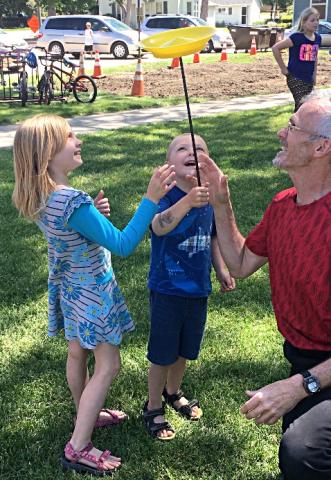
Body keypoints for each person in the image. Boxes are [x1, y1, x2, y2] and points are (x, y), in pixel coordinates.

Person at [12, 114, 176, 476]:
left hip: (70, 291)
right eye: (70, 137)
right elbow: (122, 243)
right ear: (48, 152)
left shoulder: (43, 196)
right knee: (108, 365)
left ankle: (88, 412)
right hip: (92, 294)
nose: (78, 141)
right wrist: (150, 199)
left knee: (77, 354)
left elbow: (77, 231)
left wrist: (94, 217)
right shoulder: (71, 200)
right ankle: (79, 446)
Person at [201, 92, 331, 479]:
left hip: (319, 368)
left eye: (292, 127)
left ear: (321, 147)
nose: (280, 132)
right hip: (305, 358)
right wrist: (222, 205)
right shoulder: (282, 206)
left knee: (302, 452)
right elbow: (239, 264)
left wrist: (299, 386)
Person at [143, 133, 235, 440]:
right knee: (162, 353)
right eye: (182, 148)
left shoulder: (208, 197)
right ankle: (153, 406)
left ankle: (173, 391)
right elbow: (158, 226)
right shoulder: (167, 196)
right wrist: (186, 201)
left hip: (197, 289)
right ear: (169, 162)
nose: (192, 151)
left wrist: (220, 268)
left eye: (200, 149)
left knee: (184, 350)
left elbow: (212, 237)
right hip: (167, 290)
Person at [272, 7, 321, 112]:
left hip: (308, 78)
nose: (316, 23)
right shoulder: (296, 37)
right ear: (304, 22)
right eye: (312, 20)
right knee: (302, 106)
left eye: (317, 20)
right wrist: (283, 69)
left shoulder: (318, 38)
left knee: (306, 107)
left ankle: (296, 127)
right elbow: (275, 48)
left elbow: (315, 58)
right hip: (295, 77)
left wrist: (314, 76)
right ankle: (295, 127)